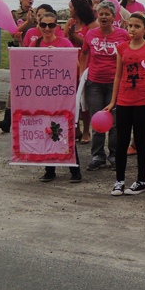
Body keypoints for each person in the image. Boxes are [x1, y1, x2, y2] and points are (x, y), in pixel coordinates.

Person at [104, 12, 145, 196]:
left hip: (143, 100)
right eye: (130, 26)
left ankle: (141, 180)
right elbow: (118, 75)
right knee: (122, 140)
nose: (133, 30)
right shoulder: (121, 48)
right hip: (124, 100)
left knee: (140, 140)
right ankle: (119, 180)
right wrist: (113, 101)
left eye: (137, 26)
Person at [32, 11, 82, 184]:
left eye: (51, 25)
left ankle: (75, 170)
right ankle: (49, 169)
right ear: (38, 26)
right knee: (46, 131)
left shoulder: (65, 43)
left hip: (62, 95)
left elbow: (77, 66)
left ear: (56, 27)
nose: (47, 28)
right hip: (43, 96)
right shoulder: (35, 44)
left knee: (65, 131)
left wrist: (60, 54)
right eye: (44, 25)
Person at [81, 1, 130, 172]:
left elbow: (130, 53)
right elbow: (84, 53)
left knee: (115, 123)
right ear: (97, 15)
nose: (103, 17)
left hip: (115, 84)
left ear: (113, 17)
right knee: (97, 121)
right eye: (100, 14)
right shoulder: (90, 34)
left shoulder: (123, 35)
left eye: (107, 14)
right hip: (94, 83)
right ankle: (97, 156)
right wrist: (82, 75)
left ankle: (115, 156)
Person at [0, 0, 37, 132]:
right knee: (15, 84)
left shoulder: (37, 13)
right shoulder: (15, 14)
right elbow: (14, 32)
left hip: (34, 52)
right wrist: (27, 22)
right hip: (19, 52)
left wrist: (37, 19)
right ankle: (8, 118)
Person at [65, 0, 98, 144]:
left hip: (85, 64)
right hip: (70, 64)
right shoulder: (70, 23)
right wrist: (68, 32)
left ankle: (86, 131)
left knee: (84, 100)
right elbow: (64, 41)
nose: (69, 10)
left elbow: (88, 43)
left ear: (78, 8)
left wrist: (73, 35)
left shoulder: (92, 25)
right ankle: (75, 128)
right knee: (71, 100)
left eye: (71, 7)